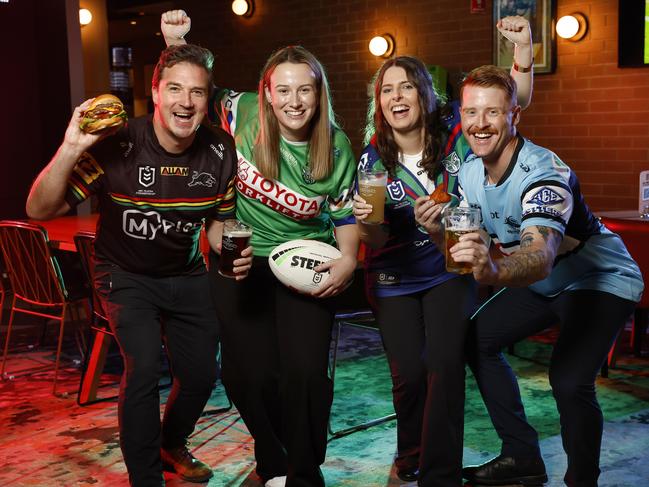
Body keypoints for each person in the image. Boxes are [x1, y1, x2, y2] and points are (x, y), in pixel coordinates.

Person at [26, 44, 253, 486]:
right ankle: (146, 478)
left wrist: (234, 251)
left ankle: (170, 444)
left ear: (208, 100)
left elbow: (218, 226)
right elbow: (39, 209)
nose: (185, 102)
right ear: (155, 91)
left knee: (203, 374)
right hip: (123, 274)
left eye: (197, 93)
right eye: (174, 89)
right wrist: (72, 145)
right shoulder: (118, 144)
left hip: (185, 272)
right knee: (145, 365)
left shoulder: (220, 150)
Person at [416, 65, 644, 486]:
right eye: (470, 113)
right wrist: (436, 231)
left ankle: (581, 481)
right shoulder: (468, 172)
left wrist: (494, 268)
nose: (479, 124)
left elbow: (539, 255)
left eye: (492, 113)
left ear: (514, 115)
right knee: (474, 340)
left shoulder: (543, 172)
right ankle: (522, 457)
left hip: (600, 278)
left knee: (569, 380)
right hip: (544, 282)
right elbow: (467, 246)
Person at [161, 11, 359, 487]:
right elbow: (185, 97)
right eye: (283, 90)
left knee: (304, 377)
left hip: (305, 262)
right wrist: (175, 42)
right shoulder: (240, 111)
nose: (294, 101)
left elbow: (347, 216)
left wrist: (349, 258)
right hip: (241, 264)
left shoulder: (336, 147)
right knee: (246, 378)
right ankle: (273, 460)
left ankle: (303, 473)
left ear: (319, 93)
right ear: (267, 94)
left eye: (304, 90)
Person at [352, 18, 533, 486]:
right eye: (387, 90)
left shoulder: (456, 125)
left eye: (407, 87)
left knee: (445, 365)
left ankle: (440, 474)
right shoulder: (372, 161)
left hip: (449, 266)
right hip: (393, 274)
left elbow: (515, 102)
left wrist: (525, 53)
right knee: (410, 374)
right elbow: (370, 242)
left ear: (424, 95)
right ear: (379, 104)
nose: (397, 97)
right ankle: (409, 451)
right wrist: (367, 222)